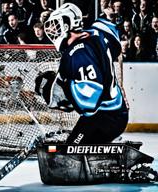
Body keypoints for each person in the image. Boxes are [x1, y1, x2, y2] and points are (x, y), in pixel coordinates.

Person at [36, 3, 129, 144]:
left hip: (104, 118)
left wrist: (61, 88)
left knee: (68, 154)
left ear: (67, 25)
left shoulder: (77, 52)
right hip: (115, 113)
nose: (53, 31)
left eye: (56, 25)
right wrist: (106, 16)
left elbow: (91, 100)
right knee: (73, 146)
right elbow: (113, 36)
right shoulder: (96, 31)